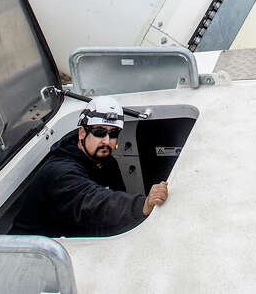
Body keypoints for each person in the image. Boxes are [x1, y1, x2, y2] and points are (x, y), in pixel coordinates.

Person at [10, 95, 168, 237]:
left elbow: (109, 202)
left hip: (75, 232)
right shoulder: (59, 173)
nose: (107, 141)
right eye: (99, 132)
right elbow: (94, 203)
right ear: (82, 133)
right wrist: (143, 204)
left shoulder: (106, 161)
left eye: (113, 134)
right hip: (35, 250)